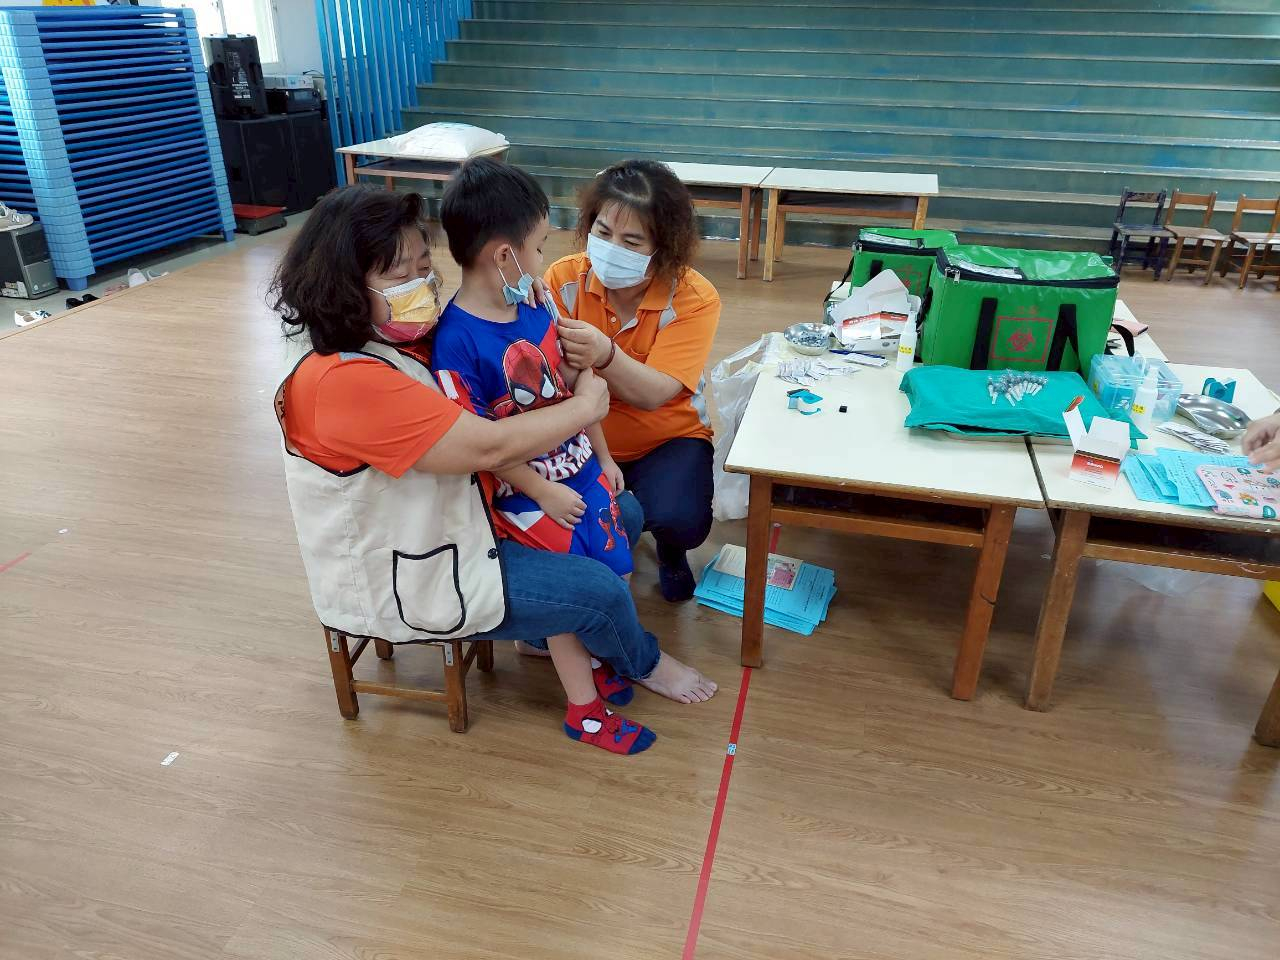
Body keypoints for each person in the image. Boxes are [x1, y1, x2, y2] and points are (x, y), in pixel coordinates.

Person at [269, 186, 717, 757]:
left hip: (469, 512)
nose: (419, 287)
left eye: (424, 267)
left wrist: (516, 295)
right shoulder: (344, 380)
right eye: (398, 275)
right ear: (343, 284)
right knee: (599, 590)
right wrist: (585, 407)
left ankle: (548, 636)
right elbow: (488, 446)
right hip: (428, 558)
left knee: (621, 514)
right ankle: (640, 664)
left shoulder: (396, 334)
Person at [546, 160, 721, 603]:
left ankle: (670, 548)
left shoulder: (694, 298)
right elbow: (559, 380)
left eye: (631, 241)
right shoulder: (564, 280)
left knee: (681, 519)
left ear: (664, 247)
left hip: (667, 439)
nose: (611, 248)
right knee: (596, 514)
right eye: (602, 232)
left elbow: (654, 393)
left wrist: (604, 354)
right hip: (585, 435)